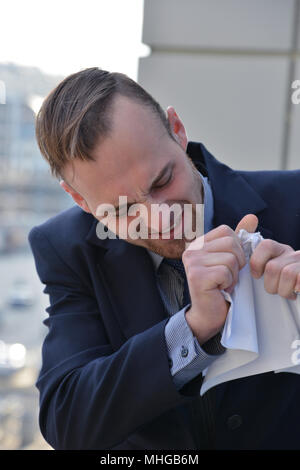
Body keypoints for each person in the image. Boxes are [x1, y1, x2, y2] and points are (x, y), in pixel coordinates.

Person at [28, 67, 300, 450]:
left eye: (161, 182)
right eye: (122, 211)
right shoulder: (66, 247)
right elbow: (69, 420)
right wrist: (192, 328)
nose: (160, 220)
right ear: (81, 201)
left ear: (177, 129)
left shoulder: (296, 201)